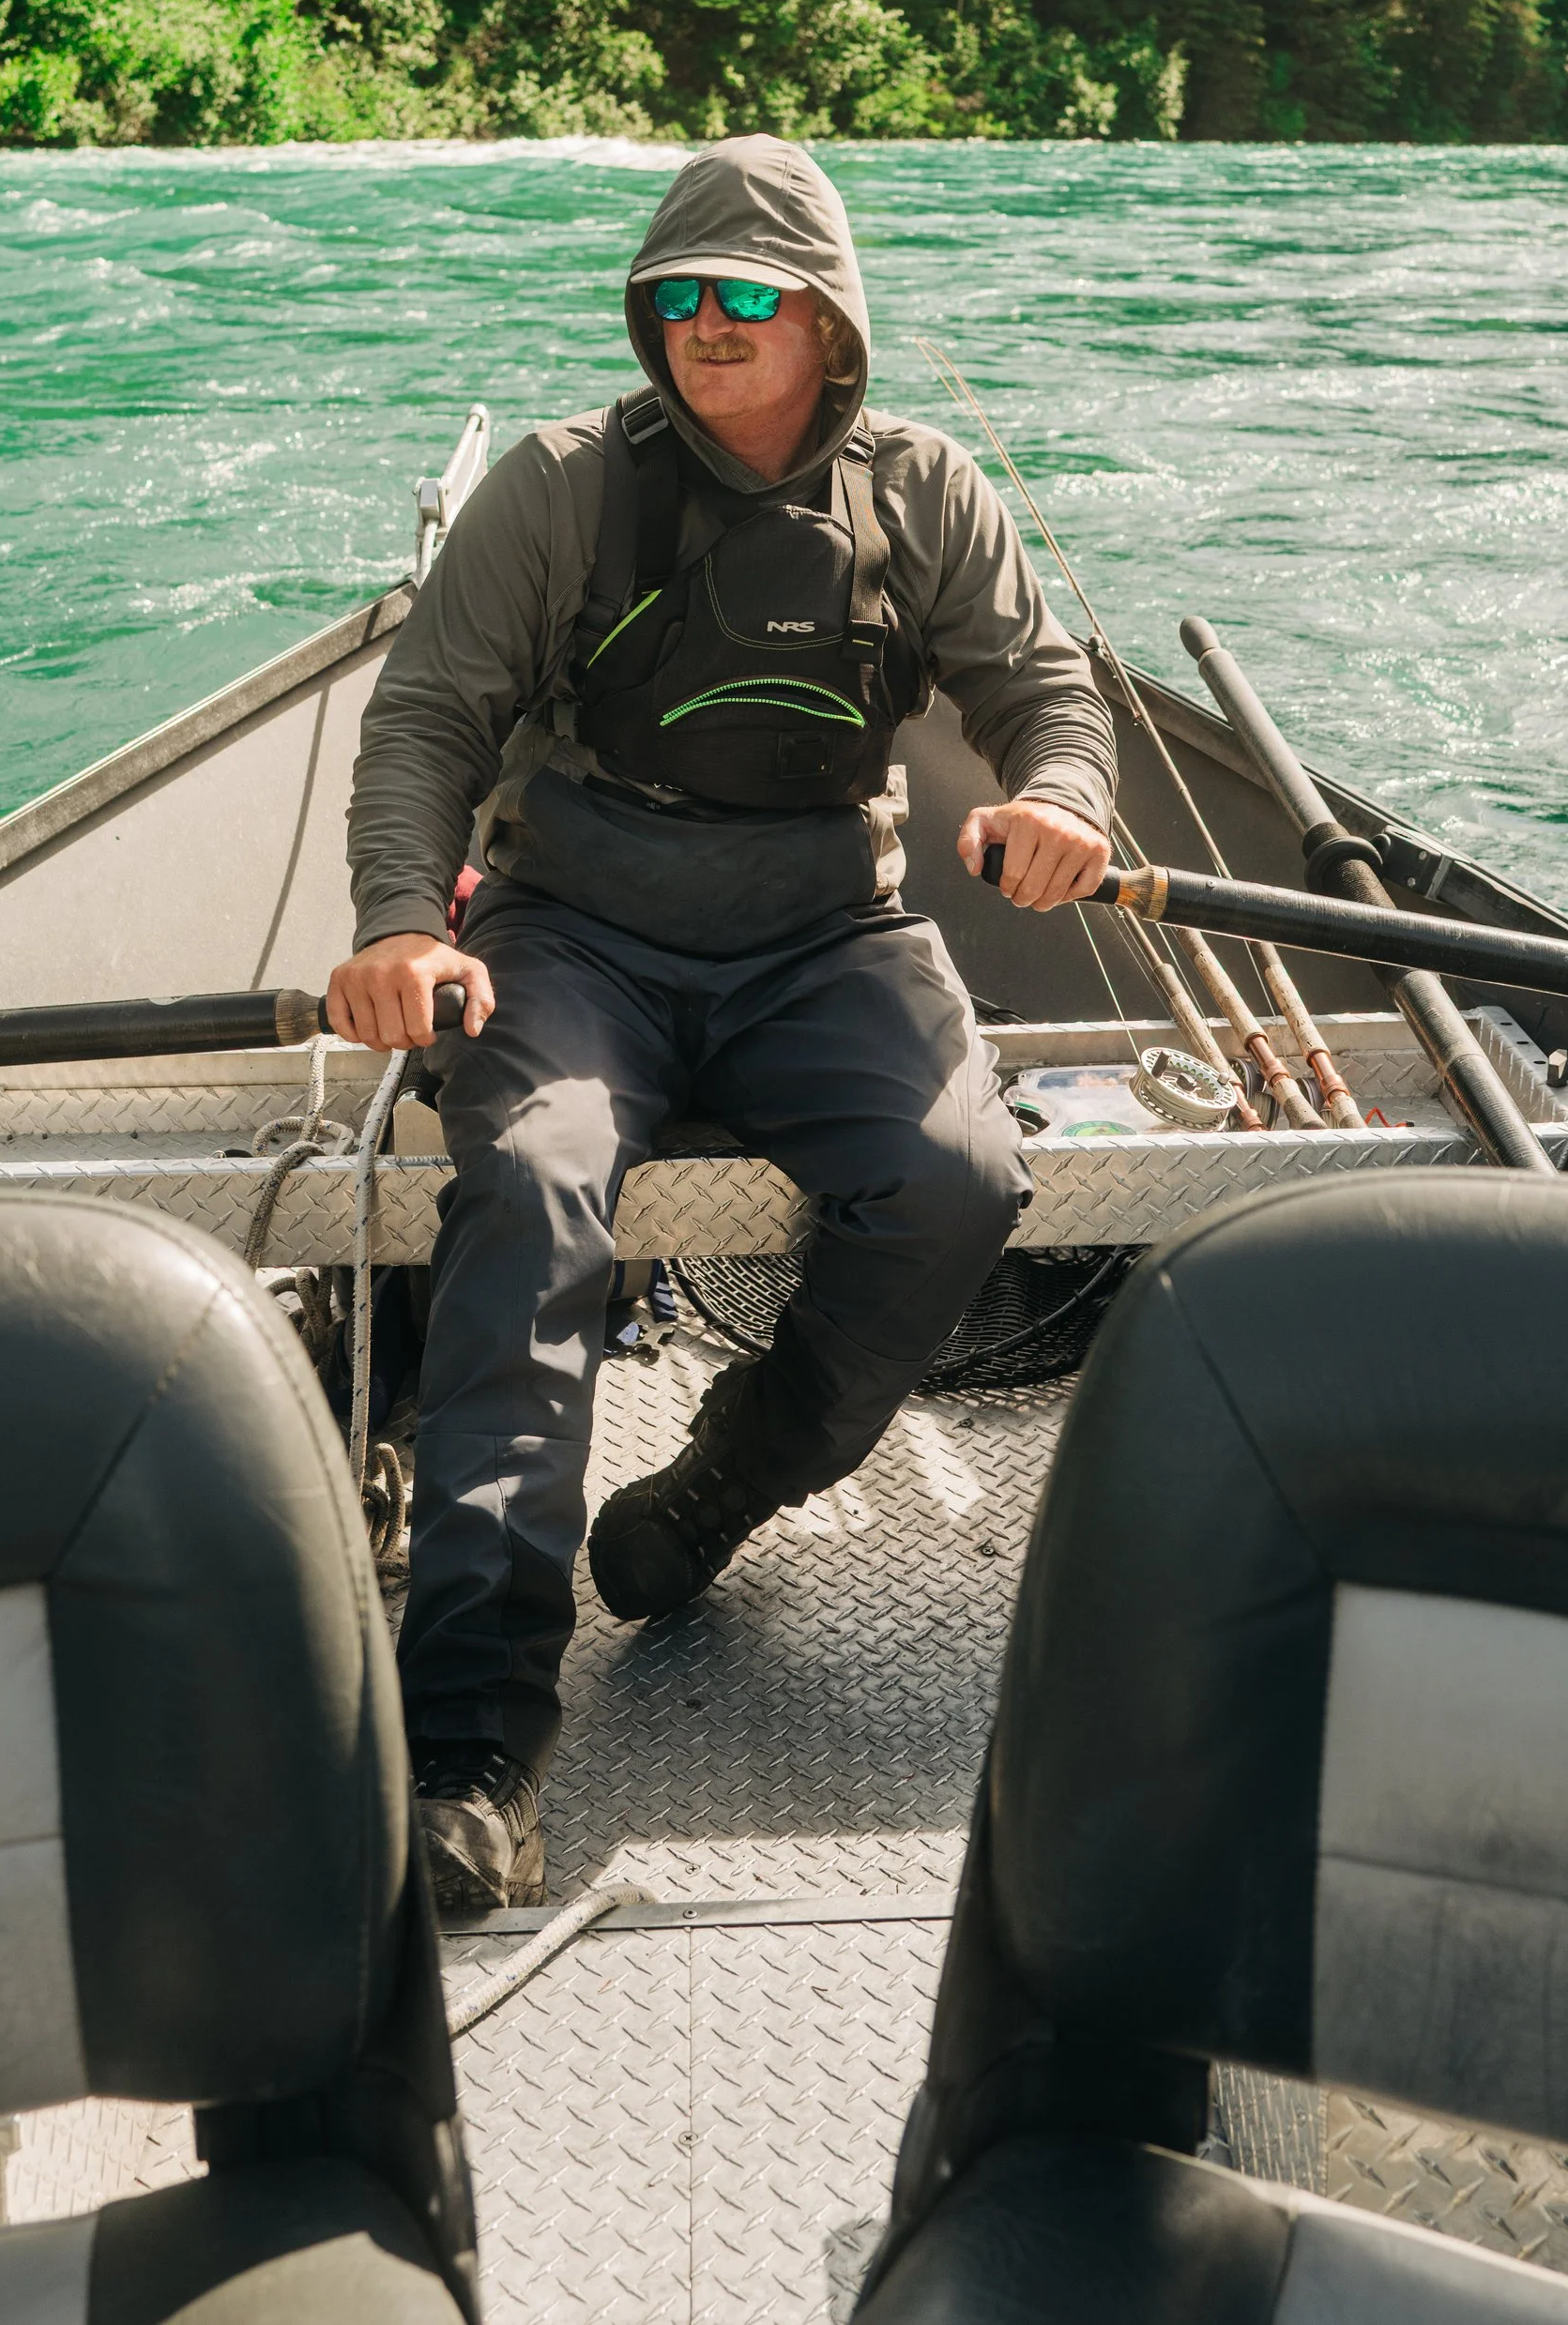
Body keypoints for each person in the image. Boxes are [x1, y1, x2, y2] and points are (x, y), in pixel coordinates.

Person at [329, 137, 1115, 1912]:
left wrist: (1063, 796)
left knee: (956, 1179)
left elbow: (1043, 693)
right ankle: (473, 1746)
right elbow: (428, 724)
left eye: (746, 295)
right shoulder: (556, 487)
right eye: (676, 294)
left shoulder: (928, 492)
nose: (704, 323)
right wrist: (398, 923)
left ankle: (721, 1488)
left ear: (829, 323)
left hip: (827, 934)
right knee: (526, 1194)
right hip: (573, 936)